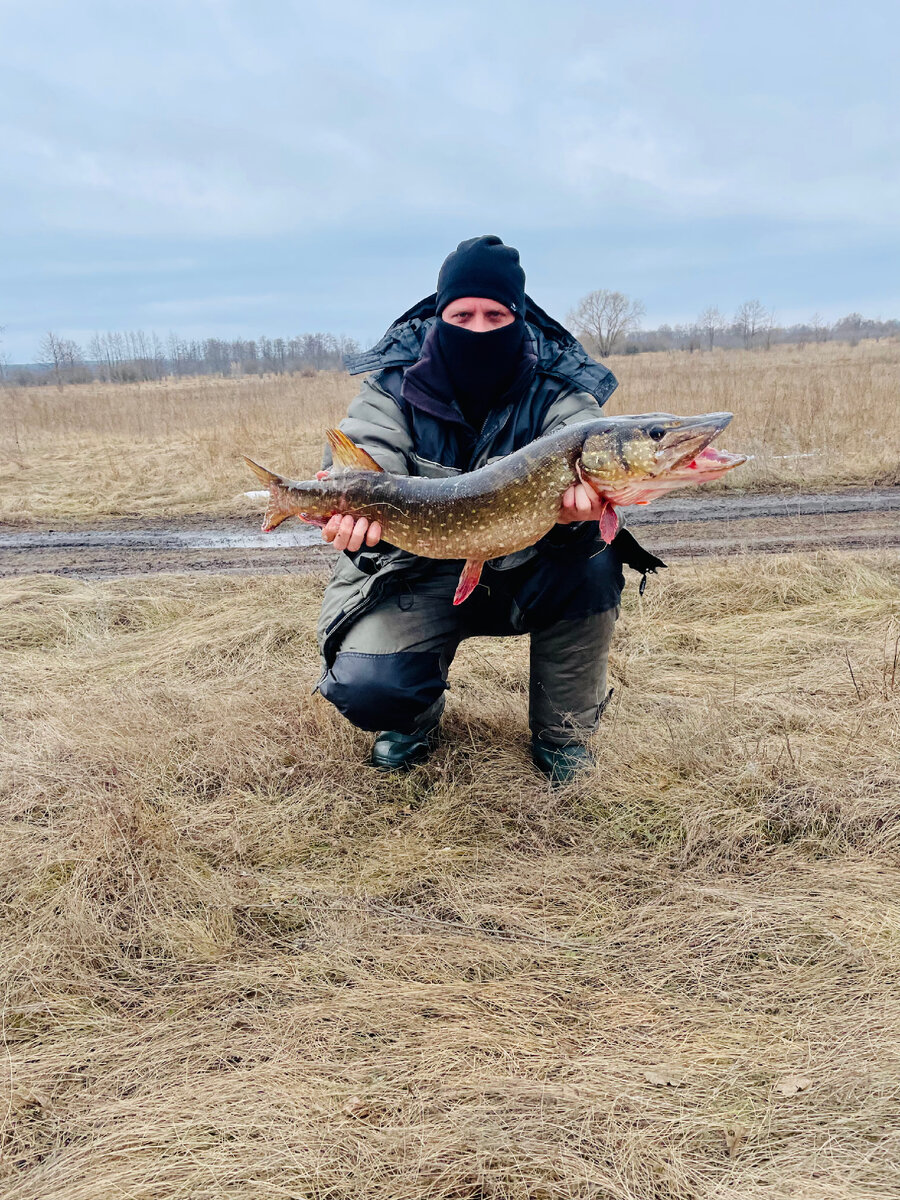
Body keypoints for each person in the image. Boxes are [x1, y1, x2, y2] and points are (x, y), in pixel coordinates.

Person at [314, 236, 663, 783]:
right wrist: (357, 518)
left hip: (527, 566)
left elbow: (587, 443)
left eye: (496, 315)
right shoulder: (391, 388)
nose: (479, 329)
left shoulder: (561, 391)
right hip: (420, 570)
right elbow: (368, 452)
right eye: (463, 314)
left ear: (519, 317)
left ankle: (563, 736)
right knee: (369, 686)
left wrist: (577, 519)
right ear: (439, 315)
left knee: (594, 559)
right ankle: (409, 720)